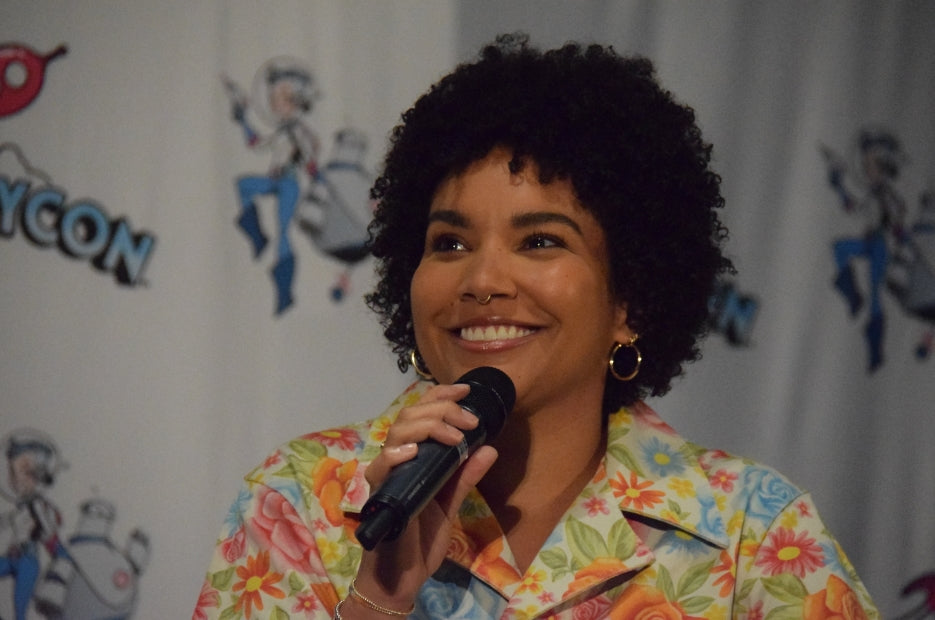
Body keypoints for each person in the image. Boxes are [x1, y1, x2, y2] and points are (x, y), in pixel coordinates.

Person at [194, 34, 879, 619]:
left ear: (630, 301)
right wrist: (377, 599)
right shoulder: (296, 501)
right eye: (449, 245)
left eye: (541, 241)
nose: (481, 280)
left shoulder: (751, 527)